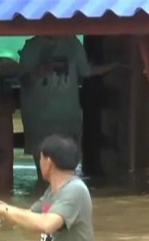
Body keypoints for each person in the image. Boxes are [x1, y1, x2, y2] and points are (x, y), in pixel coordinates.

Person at [0, 134, 96, 241]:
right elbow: (29, 215)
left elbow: (46, 224)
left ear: (48, 162)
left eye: (40, 158)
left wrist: (2, 210)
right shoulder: (52, 192)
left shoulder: (75, 189)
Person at [18, 35, 122, 181]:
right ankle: (46, 203)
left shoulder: (72, 43)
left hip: (68, 119)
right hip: (39, 121)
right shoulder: (30, 47)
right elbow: (24, 81)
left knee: (67, 177)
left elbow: (86, 70)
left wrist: (114, 66)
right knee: (44, 178)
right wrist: (37, 72)